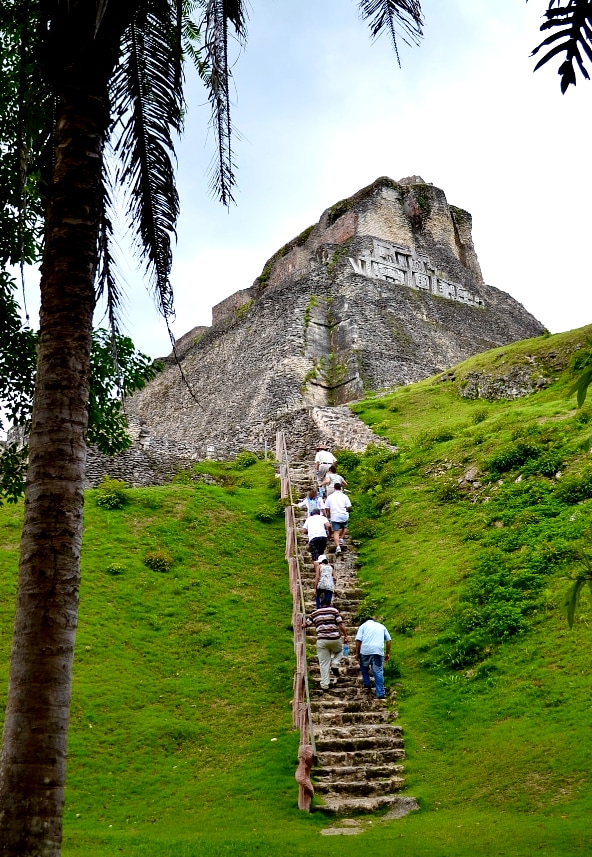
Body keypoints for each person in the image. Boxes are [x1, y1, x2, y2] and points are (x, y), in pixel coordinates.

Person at [306, 592, 349, 691]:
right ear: (329, 604)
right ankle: (335, 662)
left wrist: (302, 625)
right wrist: (345, 636)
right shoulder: (334, 611)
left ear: (320, 605)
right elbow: (340, 624)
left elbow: (307, 623)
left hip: (321, 640)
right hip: (334, 639)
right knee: (340, 651)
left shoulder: (315, 613)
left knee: (324, 663)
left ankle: (325, 685)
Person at [355, 615, 392, 699]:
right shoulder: (381, 626)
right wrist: (387, 653)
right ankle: (380, 693)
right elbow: (389, 640)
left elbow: (358, 640)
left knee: (364, 667)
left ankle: (367, 683)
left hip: (365, 650)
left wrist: (357, 654)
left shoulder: (363, 626)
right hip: (378, 651)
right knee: (378, 671)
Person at [324, 482, 352, 555]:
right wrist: (346, 510)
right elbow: (349, 506)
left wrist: (329, 513)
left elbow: (326, 507)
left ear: (334, 488)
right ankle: (341, 538)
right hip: (343, 514)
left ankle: (338, 547)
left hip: (335, 515)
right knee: (344, 527)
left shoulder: (330, 497)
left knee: (336, 532)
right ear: (341, 488)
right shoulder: (344, 496)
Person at [301, 508, 331, 573]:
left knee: (316, 557)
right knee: (321, 555)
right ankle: (324, 571)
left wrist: (309, 532)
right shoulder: (323, 518)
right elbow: (328, 526)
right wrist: (329, 534)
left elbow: (304, 530)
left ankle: (318, 574)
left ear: (312, 513)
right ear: (319, 513)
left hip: (313, 538)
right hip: (323, 537)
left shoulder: (309, 519)